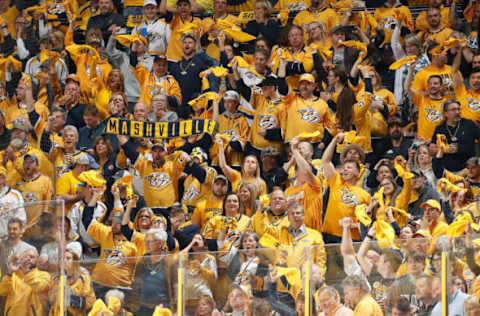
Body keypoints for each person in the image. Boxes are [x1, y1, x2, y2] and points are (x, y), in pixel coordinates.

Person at [321, 133, 371, 243]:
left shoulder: (365, 195)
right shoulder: (337, 181)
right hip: (330, 235)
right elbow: (325, 160)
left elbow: (368, 220)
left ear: (358, 172)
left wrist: (354, 225)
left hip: (353, 238)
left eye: (349, 168)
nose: (345, 170)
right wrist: (334, 140)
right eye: (344, 168)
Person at [132, 229, 173, 315]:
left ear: (160, 243)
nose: (146, 244)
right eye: (145, 241)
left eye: (149, 242)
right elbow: (136, 283)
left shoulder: (170, 261)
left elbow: (175, 287)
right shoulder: (143, 260)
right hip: (143, 307)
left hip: (163, 308)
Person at [431, 99, 479, 172]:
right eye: (453, 110)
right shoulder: (440, 129)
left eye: (458, 109)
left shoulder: (469, 124)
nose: (457, 112)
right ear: (445, 113)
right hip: (446, 170)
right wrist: (445, 150)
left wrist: (458, 149)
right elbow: (432, 150)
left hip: (468, 169)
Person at [0, 248, 51, 316]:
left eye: (31, 257)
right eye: (25, 257)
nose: (28, 259)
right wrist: (10, 273)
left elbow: (39, 287)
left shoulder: (44, 275)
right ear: (20, 259)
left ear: (37, 261)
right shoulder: (12, 276)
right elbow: (2, 291)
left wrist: (27, 272)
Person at [48, 247, 96, 316]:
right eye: (61, 258)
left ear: (74, 261)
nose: (64, 261)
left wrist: (72, 300)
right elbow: (50, 301)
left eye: (68, 258)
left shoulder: (83, 278)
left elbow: (91, 301)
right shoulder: (55, 278)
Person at [0, 166, 25, 239]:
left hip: (9, 238)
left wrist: (16, 236)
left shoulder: (15, 195)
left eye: (1, 176)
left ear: (4, 178)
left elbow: (21, 218)